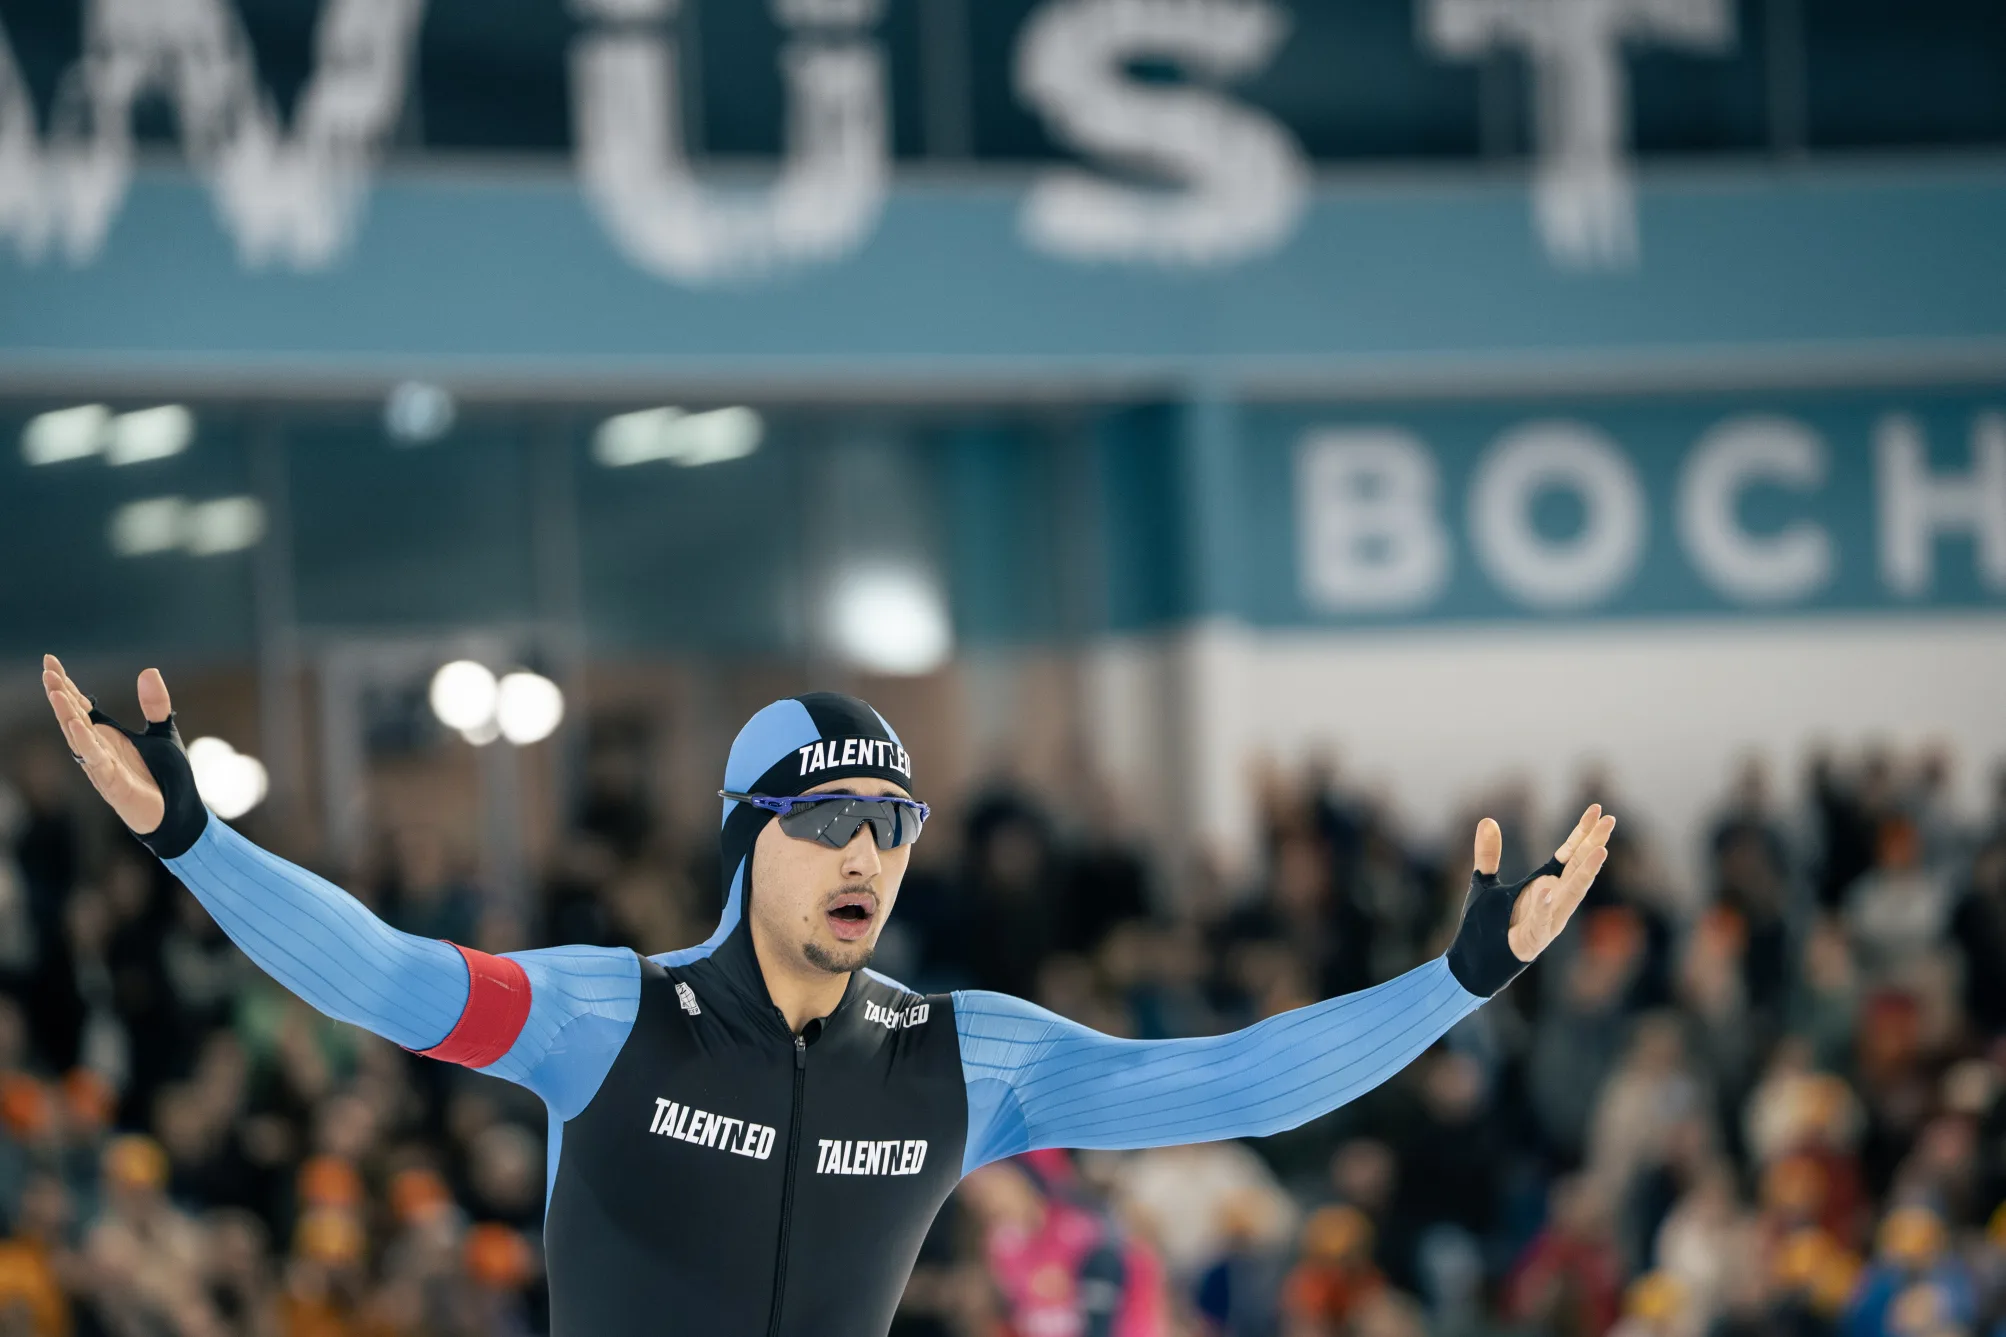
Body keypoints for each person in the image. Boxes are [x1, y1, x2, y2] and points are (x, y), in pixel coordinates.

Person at [41, 656, 1616, 1337]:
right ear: (746, 844)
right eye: (826, 824)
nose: (867, 853)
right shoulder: (610, 1021)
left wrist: (1460, 978)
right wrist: (193, 838)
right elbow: (381, 976)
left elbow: (1240, 1083)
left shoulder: (963, 1062)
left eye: (893, 826)